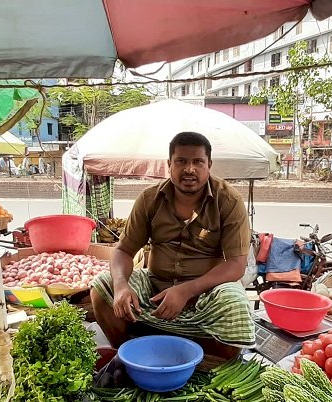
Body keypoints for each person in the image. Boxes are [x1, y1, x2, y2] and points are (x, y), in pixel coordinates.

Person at [90, 131, 255, 352]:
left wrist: (186, 290)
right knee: (102, 287)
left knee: (236, 305)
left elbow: (236, 265)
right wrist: (121, 286)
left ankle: (212, 368)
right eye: (181, 161)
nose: (189, 169)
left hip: (206, 294)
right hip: (155, 289)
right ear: (170, 164)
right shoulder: (149, 199)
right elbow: (123, 250)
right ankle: (129, 354)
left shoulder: (228, 201)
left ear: (209, 165)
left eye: (198, 162)